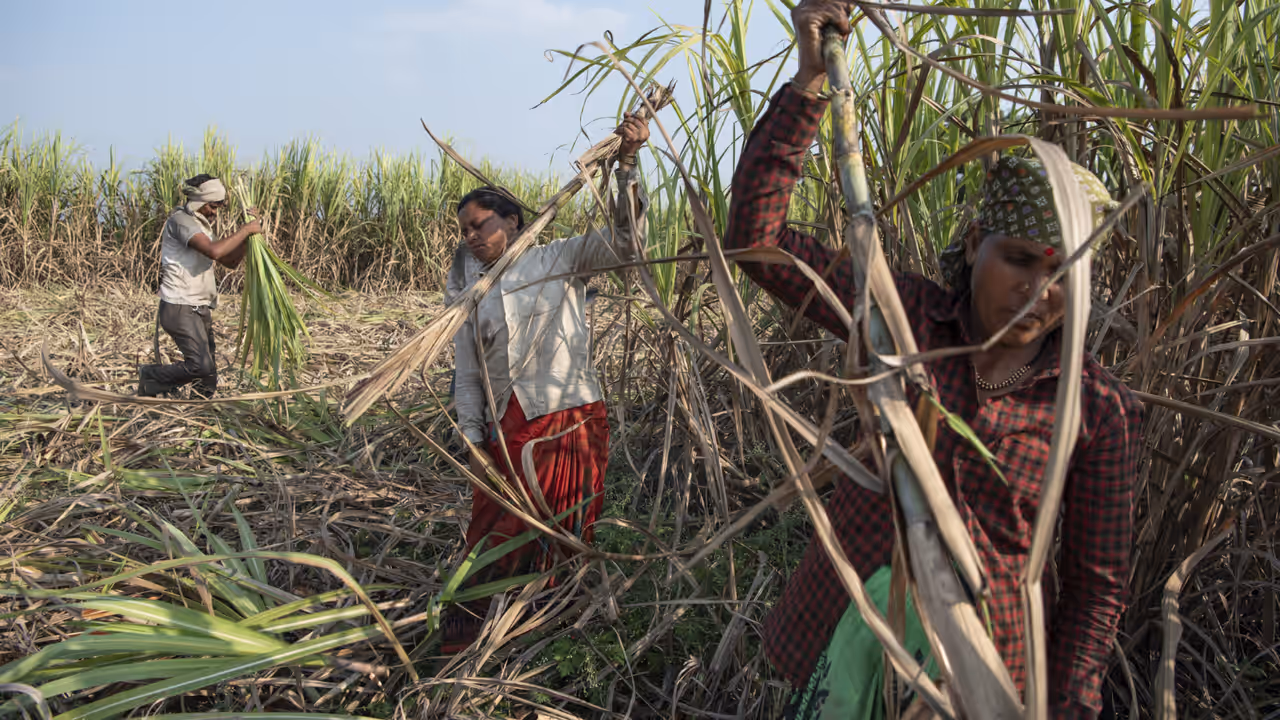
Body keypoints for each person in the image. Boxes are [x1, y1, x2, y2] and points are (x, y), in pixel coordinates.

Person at [722, 1, 1144, 717]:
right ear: (976, 240)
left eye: (1064, 274)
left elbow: (1098, 587)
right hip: (849, 628)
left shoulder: (1094, 407)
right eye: (1018, 261)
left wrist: (1069, 703)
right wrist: (810, 78)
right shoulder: (903, 317)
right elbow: (757, 239)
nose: (1038, 293)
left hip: (979, 668)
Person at [442, 114, 651, 652]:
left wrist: (627, 166)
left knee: (566, 530)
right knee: (491, 532)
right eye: (464, 229)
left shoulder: (559, 259)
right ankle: (471, 641)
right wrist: (471, 437)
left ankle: (548, 631)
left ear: (511, 221)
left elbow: (628, 243)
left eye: (479, 224)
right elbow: (468, 371)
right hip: (505, 432)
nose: (470, 237)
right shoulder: (470, 292)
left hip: (570, 419)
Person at [137, 174, 262, 398]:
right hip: (179, 306)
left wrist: (249, 238)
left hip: (199, 306)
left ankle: (197, 414)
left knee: (208, 378)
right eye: (212, 207)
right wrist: (245, 230)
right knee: (200, 365)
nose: (215, 213)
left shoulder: (202, 225)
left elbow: (229, 262)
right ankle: (151, 375)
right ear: (200, 202)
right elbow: (214, 251)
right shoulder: (181, 221)